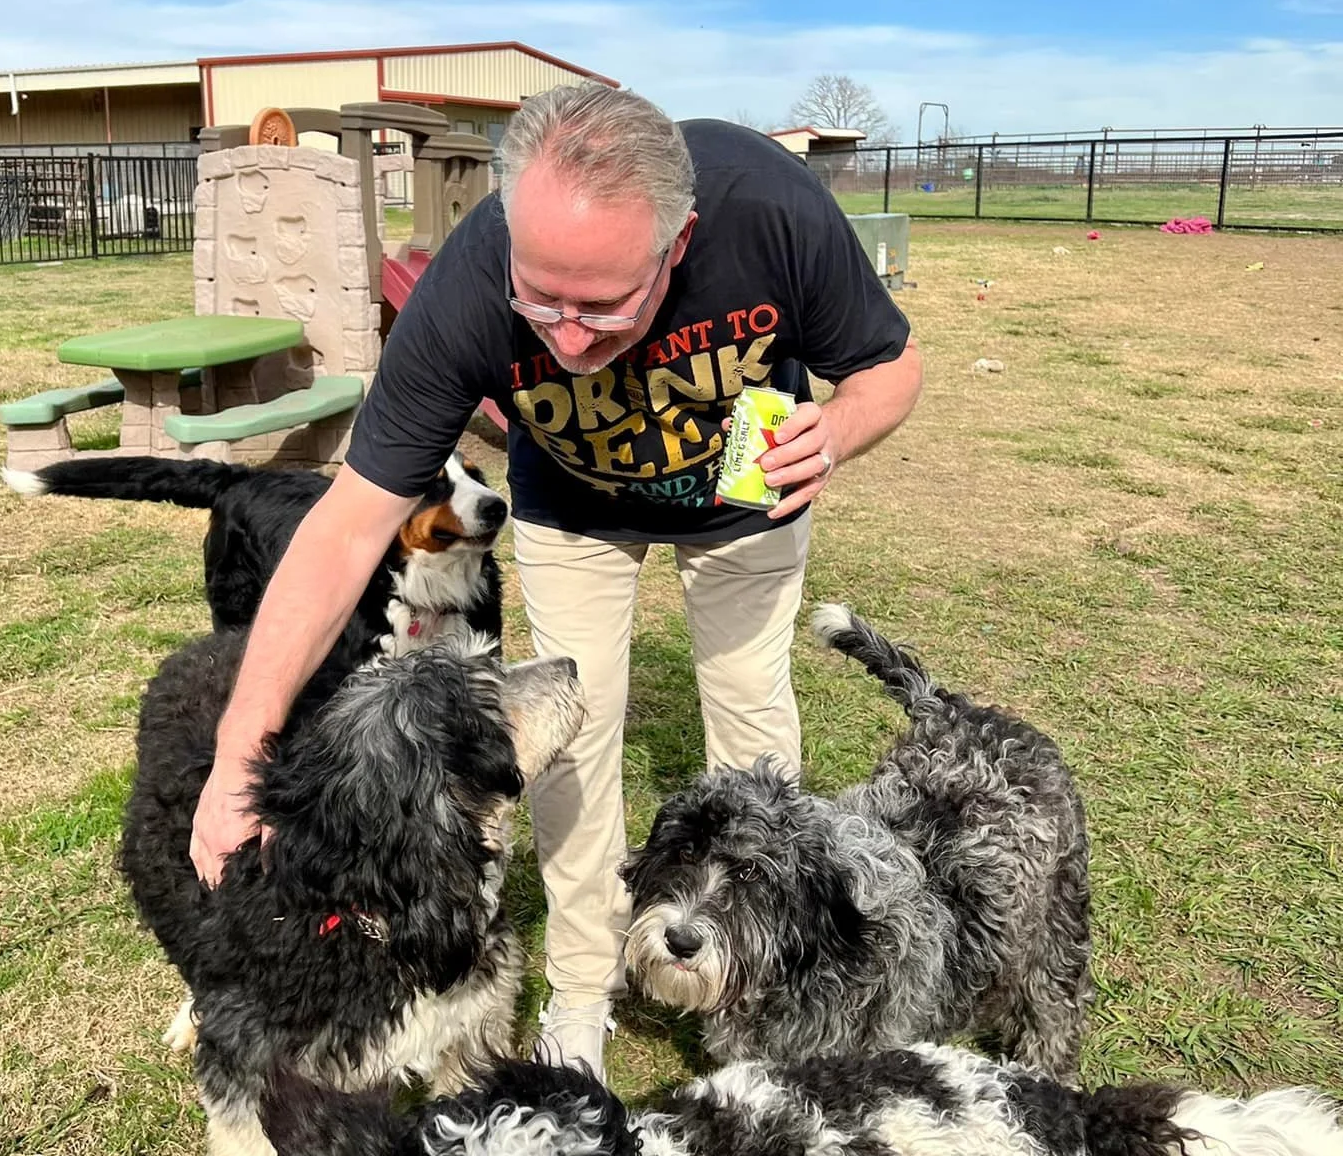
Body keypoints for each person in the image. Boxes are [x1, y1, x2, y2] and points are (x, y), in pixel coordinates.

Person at [190, 85, 922, 1078]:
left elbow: (890, 367)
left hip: (747, 495)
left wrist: (834, 430)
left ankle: (759, 978)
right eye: (543, 301)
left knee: (751, 714)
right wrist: (239, 752)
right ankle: (583, 984)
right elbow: (347, 527)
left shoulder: (771, 208)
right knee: (570, 734)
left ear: (679, 242)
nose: (570, 341)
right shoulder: (468, 284)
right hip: (574, 503)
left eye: (605, 305)